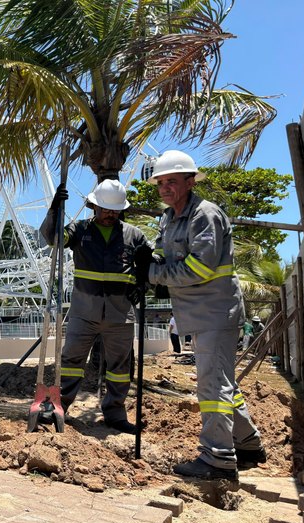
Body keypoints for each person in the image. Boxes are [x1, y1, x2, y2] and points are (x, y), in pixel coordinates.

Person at [134, 150, 266, 481]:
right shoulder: (168, 218)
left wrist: (151, 273)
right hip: (197, 311)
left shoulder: (204, 215)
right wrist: (152, 259)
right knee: (223, 383)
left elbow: (199, 267)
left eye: (172, 181)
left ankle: (218, 458)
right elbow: (170, 258)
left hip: (216, 311)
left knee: (212, 386)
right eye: (161, 182)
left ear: (190, 181)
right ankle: (248, 444)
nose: (165, 188)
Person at [40, 179, 150, 435]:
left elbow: (151, 265)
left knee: (120, 369)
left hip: (120, 313)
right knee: (70, 361)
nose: (111, 214)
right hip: (84, 312)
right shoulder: (79, 230)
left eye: (115, 209)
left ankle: (115, 414)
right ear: (93, 206)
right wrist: (55, 210)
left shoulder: (134, 235)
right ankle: (58, 406)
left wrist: (142, 282)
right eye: (105, 208)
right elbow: (53, 238)